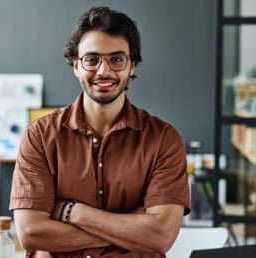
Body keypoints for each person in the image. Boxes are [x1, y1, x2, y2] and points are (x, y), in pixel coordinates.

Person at [10, 6, 190, 258]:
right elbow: (31, 233)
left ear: (132, 66)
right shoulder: (39, 135)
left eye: (117, 59)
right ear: (75, 66)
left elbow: (161, 236)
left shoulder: (163, 139)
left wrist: (74, 213)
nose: (104, 71)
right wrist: (130, 227)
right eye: (92, 60)